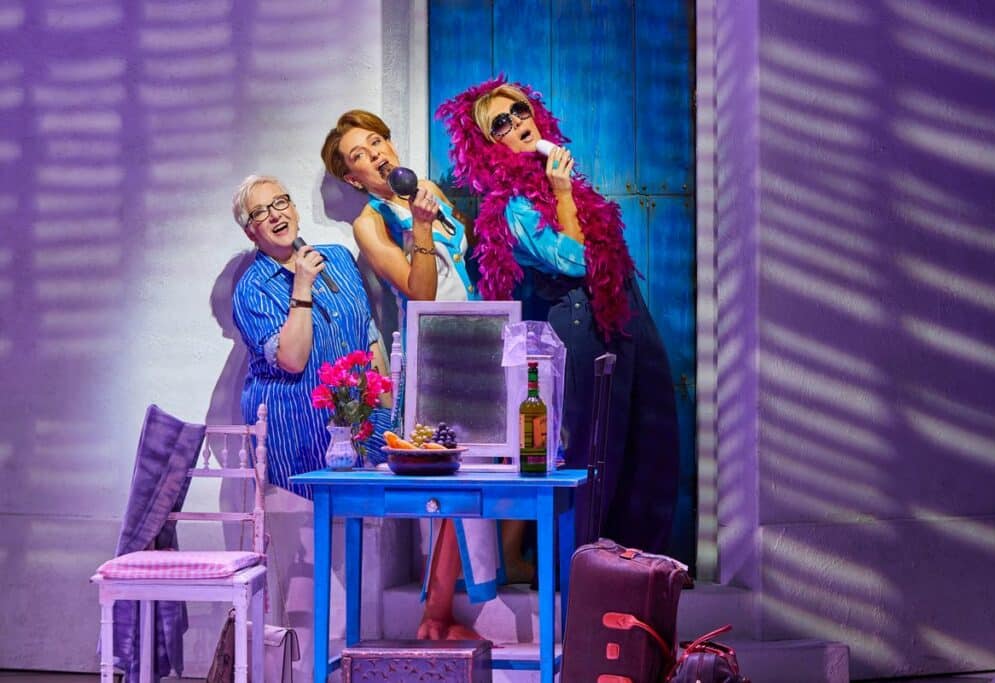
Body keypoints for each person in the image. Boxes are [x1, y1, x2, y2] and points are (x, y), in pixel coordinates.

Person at [437, 78, 680, 555]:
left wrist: (564, 191)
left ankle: (634, 564)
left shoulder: (551, 182)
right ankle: (583, 570)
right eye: (500, 123)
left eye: (520, 111)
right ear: (489, 145)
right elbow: (577, 261)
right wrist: (562, 192)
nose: (516, 122)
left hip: (620, 308)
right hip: (579, 319)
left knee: (645, 437)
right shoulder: (511, 206)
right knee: (594, 448)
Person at [321, 111, 510, 640]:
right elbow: (421, 292)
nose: (376, 155)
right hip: (435, 353)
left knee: (484, 477)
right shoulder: (371, 222)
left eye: (377, 142)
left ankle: (445, 609)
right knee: (454, 483)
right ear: (354, 177)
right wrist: (421, 227)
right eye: (360, 155)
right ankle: (435, 615)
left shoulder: (427, 190)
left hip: (478, 342)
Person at [231, 173, 391, 678]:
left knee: (359, 578)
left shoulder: (337, 258)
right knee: (308, 592)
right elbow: (293, 358)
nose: (275, 215)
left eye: (280, 202)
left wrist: (389, 408)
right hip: (295, 452)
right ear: (250, 231)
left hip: (358, 443)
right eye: (261, 212)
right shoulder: (253, 289)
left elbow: (368, 339)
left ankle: (356, 672)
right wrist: (301, 287)